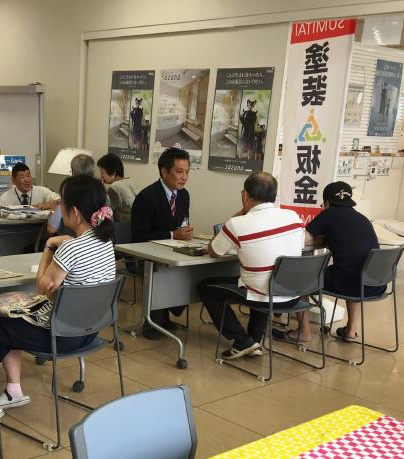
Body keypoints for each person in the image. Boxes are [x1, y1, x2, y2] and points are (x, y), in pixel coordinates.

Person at [0, 174, 116, 423]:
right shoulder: (105, 241)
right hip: (89, 331)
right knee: (7, 318)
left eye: (61, 204)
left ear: (74, 212)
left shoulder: (71, 247)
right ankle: (12, 391)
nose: (58, 207)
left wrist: (49, 246)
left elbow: (42, 287)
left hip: (62, 336)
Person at [198, 172, 304, 359]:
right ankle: (253, 341)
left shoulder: (238, 223)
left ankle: (242, 340)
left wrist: (238, 215)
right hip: (292, 294)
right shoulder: (294, 217)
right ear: (274, 196)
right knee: (261, 281)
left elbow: (214, 250)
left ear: (245, 195)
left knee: (206, 287)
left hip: (264, 294)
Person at [273, 181, 385, 343]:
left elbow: (303, 240)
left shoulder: (328, 214)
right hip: (375, 284)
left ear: (326, 202)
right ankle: (350, 331)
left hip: (351, 284)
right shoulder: (363, 218)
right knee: (355, 270)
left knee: (303, 278)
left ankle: (303, 333)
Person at [131, 147, 192, 339]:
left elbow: (182, 223)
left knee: (190, 272)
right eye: (179, 171)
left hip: (172, 252)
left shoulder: (184, 195)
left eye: (187, 172)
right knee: (163, 271)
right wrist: (173, 235)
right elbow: (139, 235)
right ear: (164, 172)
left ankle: (166, 315)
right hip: (144, 255)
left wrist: (185, 232)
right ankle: (152, 323)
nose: (184, 177)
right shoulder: (147, 197)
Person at [46, 153, 108, 235]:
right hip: (99, 240)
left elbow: (51, 228)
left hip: (70, 240)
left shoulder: (71, 194)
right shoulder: (103, 194)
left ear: (74, 172)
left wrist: (53, 213)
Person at [97, 153, 138, 223]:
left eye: (102, 172)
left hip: (123, 229)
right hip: (135, 225)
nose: (101, 176)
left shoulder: (115, 188)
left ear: (113, 172)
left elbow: (102, 216)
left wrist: (99, 188)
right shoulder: (129, 182)